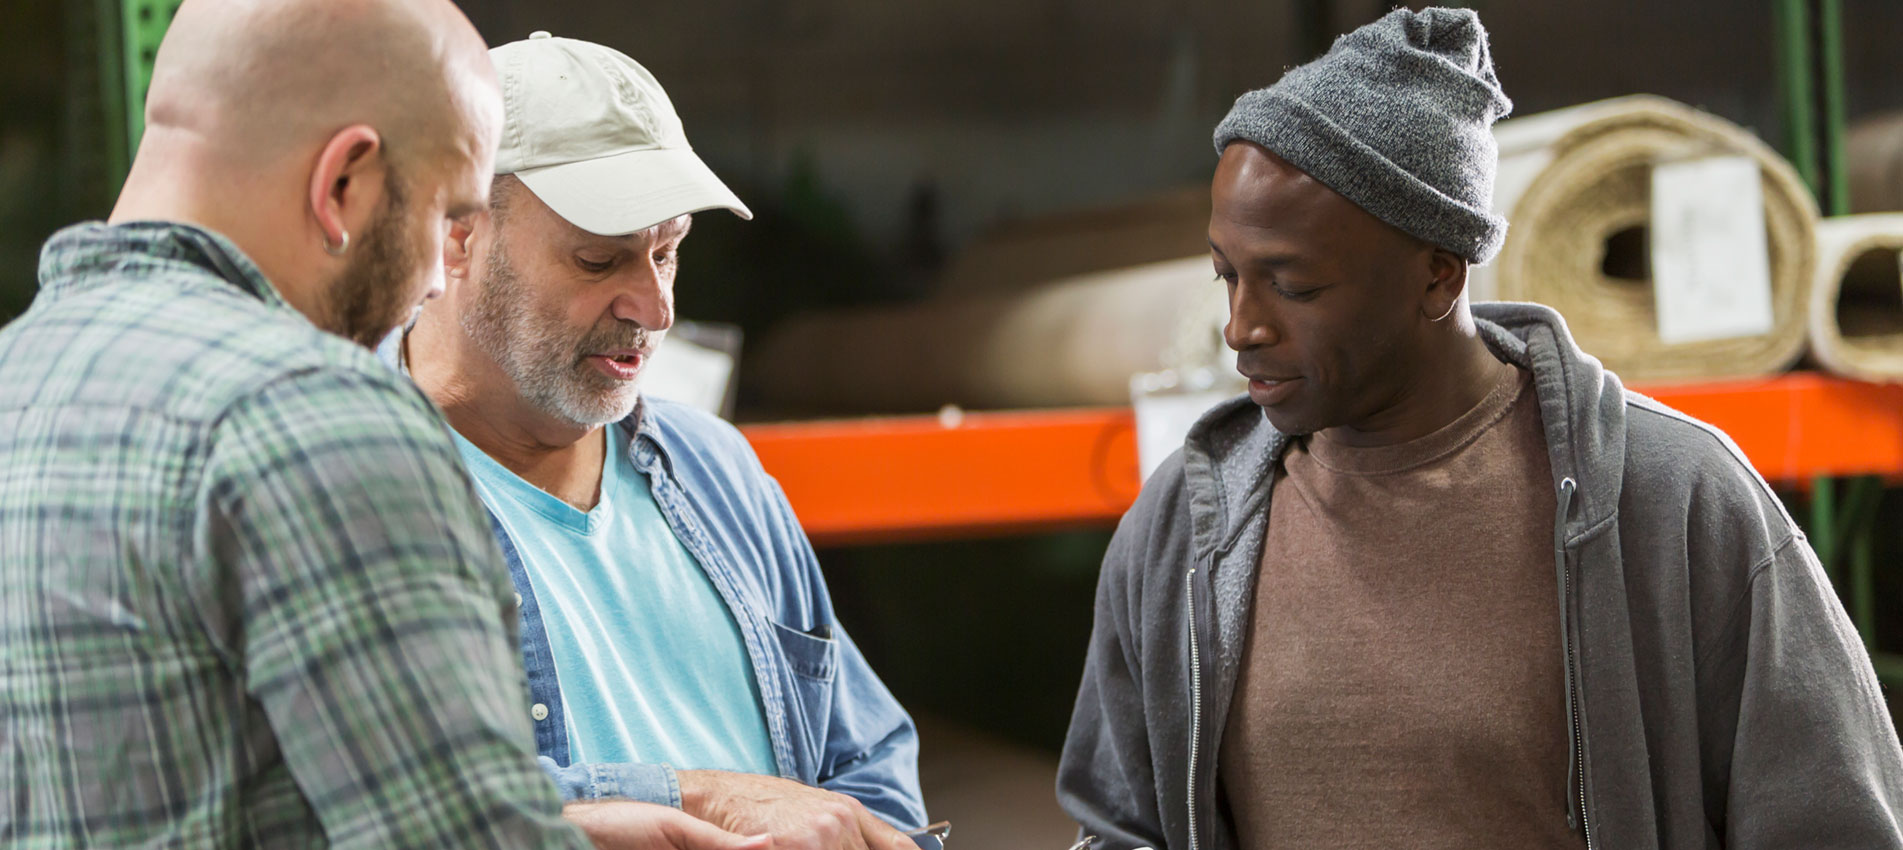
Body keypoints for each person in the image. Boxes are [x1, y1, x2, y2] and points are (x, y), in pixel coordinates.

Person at [1057, 7, 1903, 850]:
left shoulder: (1670, 503)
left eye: (1292, 286)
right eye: (1227, 276)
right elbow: (1120, 827)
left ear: (1437, 274)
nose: (1242, 327)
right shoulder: (1183, 527)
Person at [0, 2, 764, 848]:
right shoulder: (311, 415)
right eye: (444, 218)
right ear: (343, 184)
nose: (440, 278)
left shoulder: (19, 380)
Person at [384, 33, 932, 850]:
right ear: (456, 233)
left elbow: (865, 756)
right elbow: (404, 801)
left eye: (667, 252)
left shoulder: (715, 471)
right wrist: (705, 800)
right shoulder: (361, 494)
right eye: (598, 260)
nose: (654, 306)